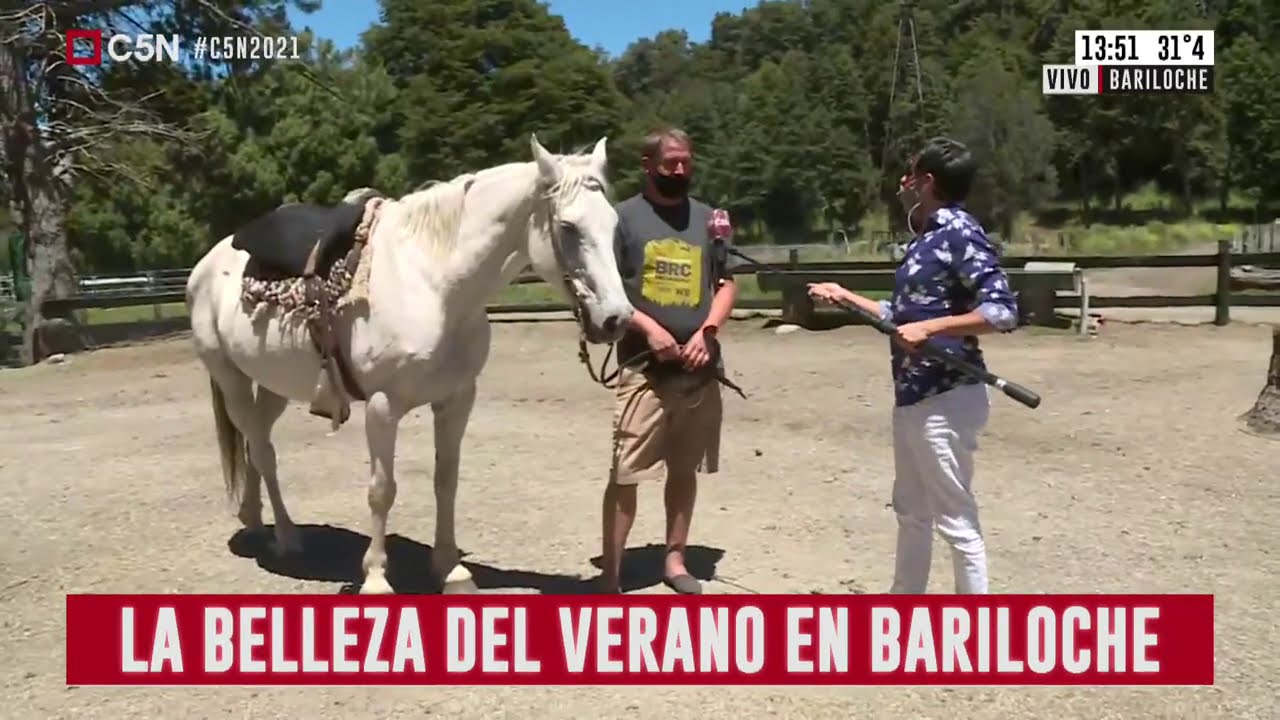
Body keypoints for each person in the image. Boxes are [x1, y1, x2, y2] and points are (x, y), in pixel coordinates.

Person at [808, 136, 1018, 594]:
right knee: (911, 510)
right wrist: (844, 296)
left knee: (955, 518)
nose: (902, 182)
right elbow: (901, 319)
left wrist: (933, 329)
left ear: (927, 182)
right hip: (912, 396)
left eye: (910, 173)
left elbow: (1002, 311)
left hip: (947, 395)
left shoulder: (960, 231)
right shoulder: (925, 240)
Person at [600, 126, 739, 595]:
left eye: (686, 161)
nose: (680, 170)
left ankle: (675, 559)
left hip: (699, 370)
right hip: (644, 368)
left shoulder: (709, 218)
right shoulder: (620, 220)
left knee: (684, 470)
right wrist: (650, 328)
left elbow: (726, 283)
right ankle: (612, 576)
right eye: (669, 163)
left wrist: (708, 331)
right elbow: (607, 291)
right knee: (626, 473)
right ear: (647, 166)